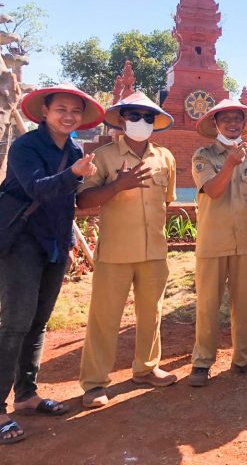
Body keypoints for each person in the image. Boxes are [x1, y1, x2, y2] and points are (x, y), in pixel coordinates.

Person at [0, 84, 103, 445]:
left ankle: (26, 395)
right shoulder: (26, 146)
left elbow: (66, 203)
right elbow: (37, 189)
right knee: (15, 324)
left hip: (55, 244)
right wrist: (73, 173)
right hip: (22, 242)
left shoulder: (74, 150)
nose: (68, 116)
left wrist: (69, 242)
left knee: (38, 322)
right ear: (44, 112)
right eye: (61, 109)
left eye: (75, 111)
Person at [77, 92, 177, 408]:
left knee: (151, 314)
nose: (141, 122)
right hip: (116, 252)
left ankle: (146, 369)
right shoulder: (104, 157)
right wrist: (117, 186)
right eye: (134, 115)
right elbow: (83, 201)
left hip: (154, 251)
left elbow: (167, 201)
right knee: (104, 319)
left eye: (148, 117)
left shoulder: (165, 157)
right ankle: (94, 383)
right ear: (122, 119)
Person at [188, 100, 247, 387]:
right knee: (208, 304)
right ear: (216, 124)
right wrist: (231, 163)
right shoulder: (204, 155)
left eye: (238, 118)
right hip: (213, 241)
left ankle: (244, 358)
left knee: (245, 303)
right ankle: (202, 362)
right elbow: (212, 190)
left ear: (244, 124)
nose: (233, 123)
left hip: (245, 241)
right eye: (226, 119)